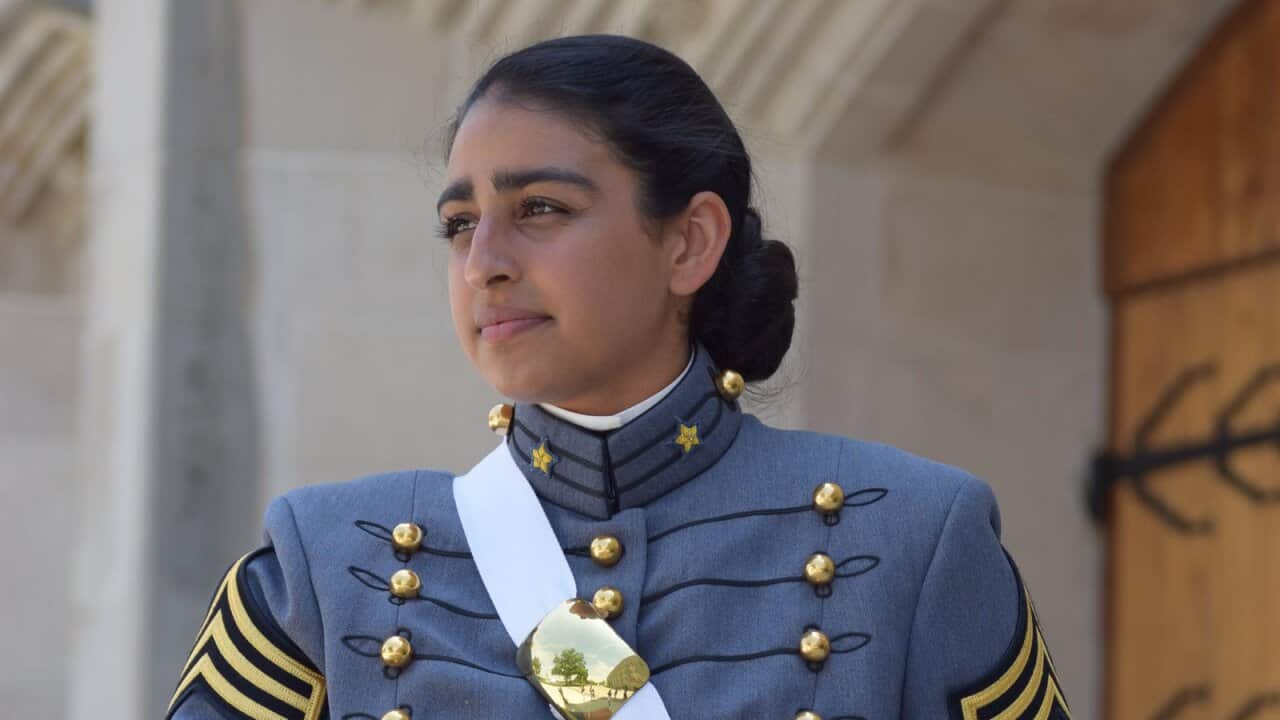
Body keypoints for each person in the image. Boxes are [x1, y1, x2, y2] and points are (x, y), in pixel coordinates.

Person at [166, 34, 1071, 720]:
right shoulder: (322, 565)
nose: (484, 263)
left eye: (541, 208)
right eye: (459, 223)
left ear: (689, 242)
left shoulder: (918, 538)